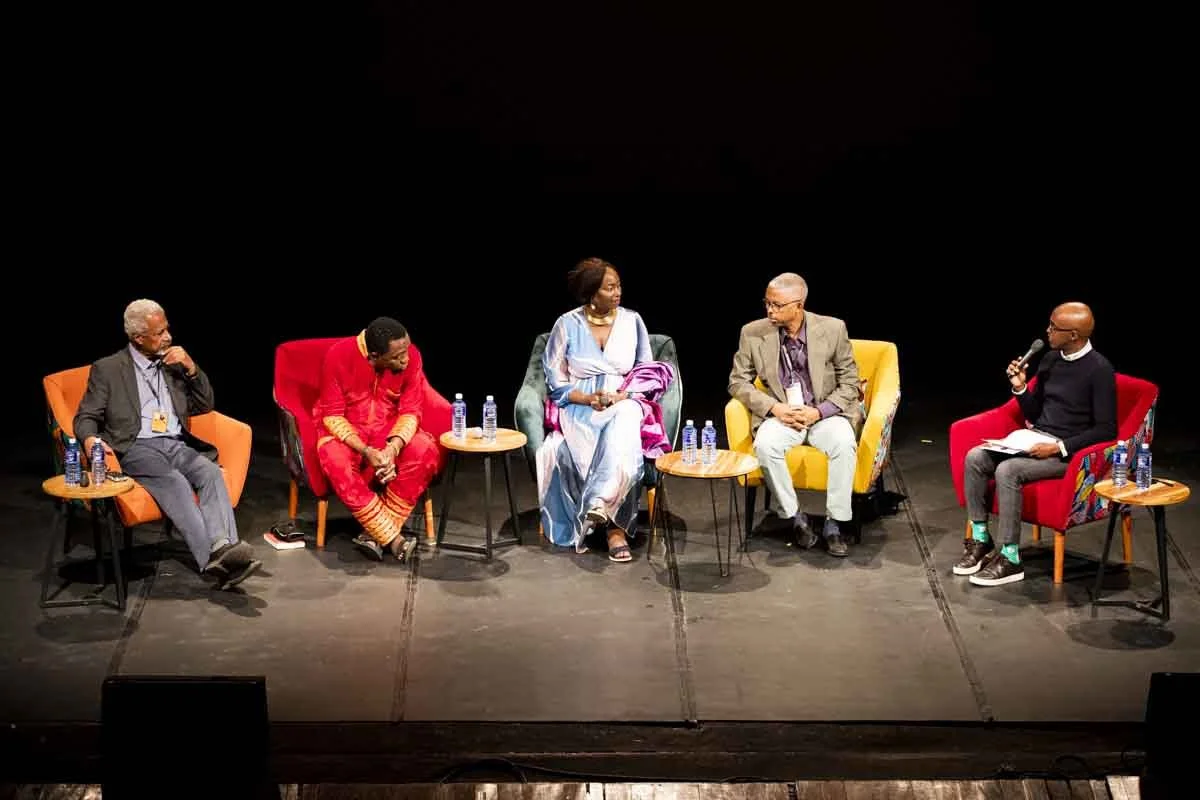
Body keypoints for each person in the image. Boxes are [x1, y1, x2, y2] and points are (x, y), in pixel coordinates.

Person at [73, 299, 261, 589]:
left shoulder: (173, 364)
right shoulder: (108, 369)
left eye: (167, 329)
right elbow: (86, 415)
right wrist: (89, 439)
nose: (168, 337)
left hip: (176, 443)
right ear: (138, 337)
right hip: (136, 447)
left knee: (211, 473)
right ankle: (215, 562)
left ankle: (225, 549)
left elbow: (205, 404)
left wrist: (191, 368)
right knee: (175, 483)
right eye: (159, 332)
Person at [956, 301, 1117, 586]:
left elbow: (1106, 429)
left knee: (1008, 470)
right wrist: (1020, 387)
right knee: (975, 457)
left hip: (1069, 453)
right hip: (1037, 438)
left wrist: (1059, 447)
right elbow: (1035, 413)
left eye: (1054, 327)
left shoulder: (1099, 369)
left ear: (1074, 335)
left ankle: (1011, 558)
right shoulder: (1050, 360)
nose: (1047, 331)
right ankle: (981, 541)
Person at [536, 257, 675, 562]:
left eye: (619, 286)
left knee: (625, 419)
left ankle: (607, 515)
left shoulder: (632, 321)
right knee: (616, 442)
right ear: (591, 293)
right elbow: (555, 381)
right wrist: (589, 399)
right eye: (609, 288)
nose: (617, 292)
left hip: (624, 401)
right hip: (581, 408)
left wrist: (622, 395)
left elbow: (646, 373)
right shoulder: (566, 324)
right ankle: (612, 525)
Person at [727, 272, 861, 557]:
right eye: (767, 303)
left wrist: (818, 412)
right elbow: (737, 382)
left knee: (843, 443)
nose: (769, 310)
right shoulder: (752, 333)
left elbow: (851, 383)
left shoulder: (833, 329)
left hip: (824, 413)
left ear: (798, 306)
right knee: (765, 445)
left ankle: (834, 522)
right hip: (781, 414)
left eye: (776, 305)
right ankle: (795, 516)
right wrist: (773, 408)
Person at [314, 317, 445, 562]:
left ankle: (373, 535)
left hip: (388, 430)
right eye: (397, 357)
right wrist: (366, 451)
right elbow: (332, 416)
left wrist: (392, 448)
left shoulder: (412, 356)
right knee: (334, 457)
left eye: (406, 351)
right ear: (374, 356)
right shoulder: (338, 356)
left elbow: (411, 411)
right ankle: (394, 540)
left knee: (425, 448)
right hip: (349, 433)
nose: (406, 360)